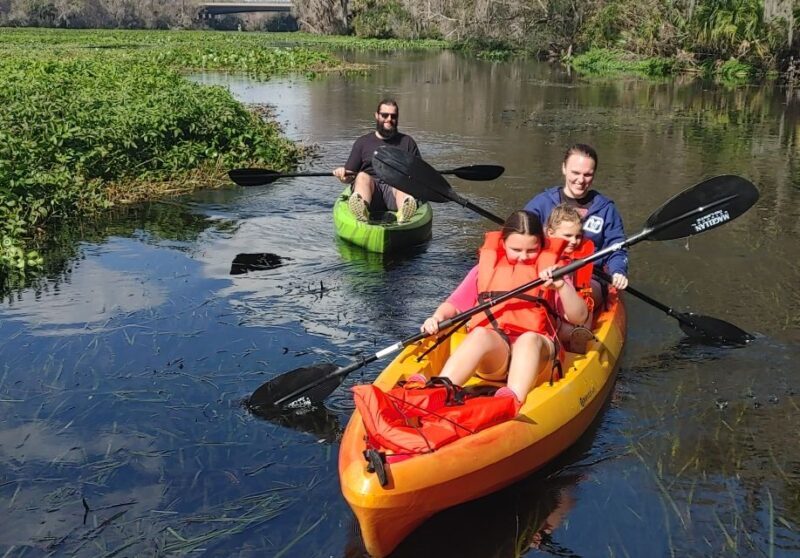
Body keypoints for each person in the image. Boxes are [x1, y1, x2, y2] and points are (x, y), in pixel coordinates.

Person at [418, 210, 588, 411]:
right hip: (496, 357)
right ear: (503, 243)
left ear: (541, 245)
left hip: (538, 356)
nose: (523, 257)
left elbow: (579, 317)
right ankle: (439, 391)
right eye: (516, 249)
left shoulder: (553, 272)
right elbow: (454, 305)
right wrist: (436, 317)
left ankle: (511, 401)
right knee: (480, 334)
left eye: (531, 250)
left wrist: (561, 286)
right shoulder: (484, 270)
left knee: (528, 340)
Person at [524, 144, 629, 305]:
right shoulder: (541, 203)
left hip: (589, 278)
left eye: (587, 175)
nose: (581, 180)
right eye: (575, 173)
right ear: (564, 168)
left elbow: (617, 248)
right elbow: (521, 237)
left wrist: (618, 271)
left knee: (575, 298)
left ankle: (578, 315)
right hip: (546, 272)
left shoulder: (606, 209)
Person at [333, 99, 419, 223]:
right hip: (371, 194)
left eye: (393, 116)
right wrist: (342, 175)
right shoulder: (362, 143)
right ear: (377, 115)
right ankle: (362, 210)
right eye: (385, 115)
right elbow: (349, 177)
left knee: (402, 179)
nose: (389, 119)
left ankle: (404, 213)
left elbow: (419, 175)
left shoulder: (407, 142)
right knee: (362, 176)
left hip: (395, 194)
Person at [545, 203, 596, 353]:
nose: (574, 241)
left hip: (573, 305)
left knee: (587, 306)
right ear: (550, 233)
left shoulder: (581, 253)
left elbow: (583, 293)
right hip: (550, 308)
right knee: (564, 327)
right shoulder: (538, 252)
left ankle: (579, 337)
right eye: (568, 236)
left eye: (578, 236)